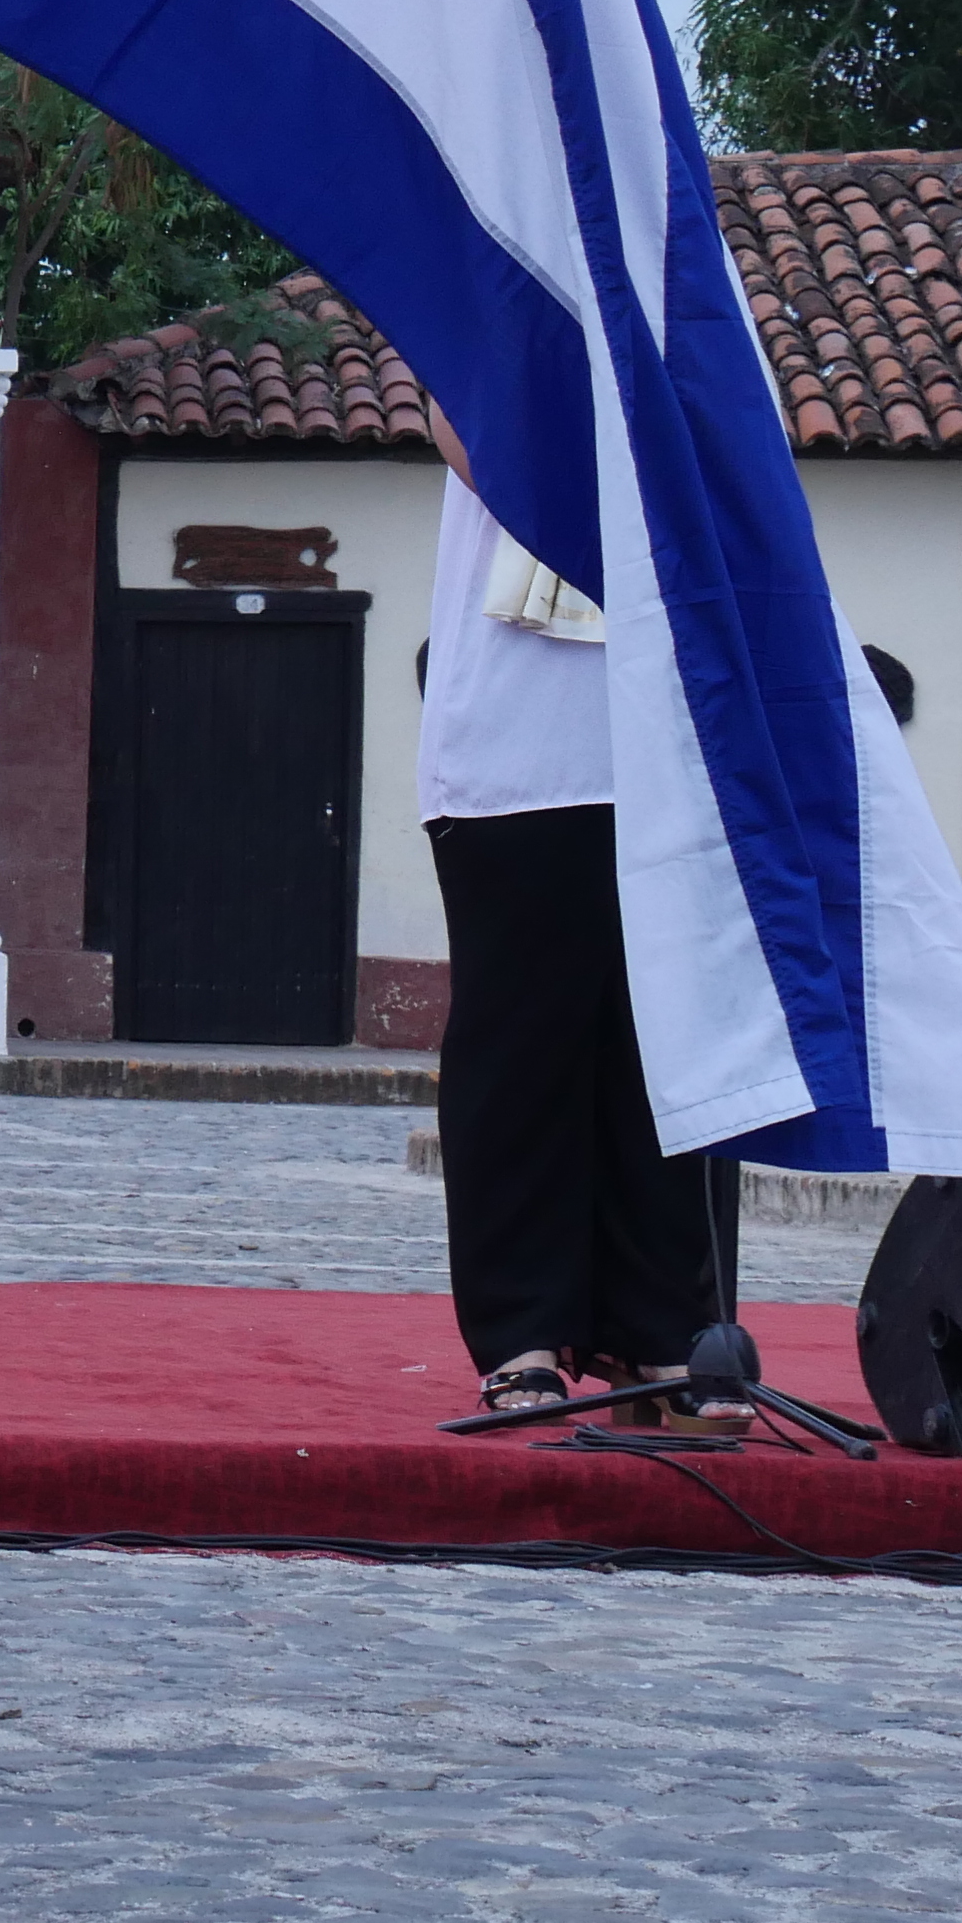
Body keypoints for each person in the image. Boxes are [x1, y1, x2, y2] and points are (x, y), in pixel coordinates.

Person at [417, 410, 718, 1421]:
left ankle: (663, 1335)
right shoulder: (498, 279)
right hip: (517, 738)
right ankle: (523, 1334)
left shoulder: (689, 292)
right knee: (520, 1047)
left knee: (670, 1049)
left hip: (672, 728)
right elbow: (467, 426)